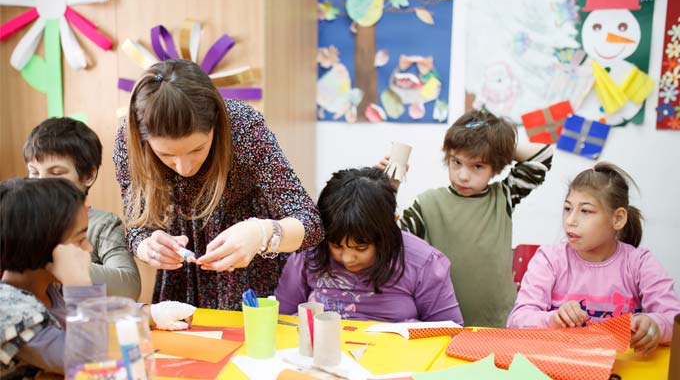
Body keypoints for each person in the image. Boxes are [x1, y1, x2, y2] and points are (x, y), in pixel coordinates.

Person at [113, 59, 323, 310]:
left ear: (216, 123)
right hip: (185, 274)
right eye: (167, 155)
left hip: (253, 261)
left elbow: (310, 223)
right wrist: (147, 246)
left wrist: (261, 233)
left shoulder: (243, 127)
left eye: (197, 149)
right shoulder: (129, 141)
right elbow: (136, 228)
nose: (184, 168)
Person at [0, 178, 194, 378]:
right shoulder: (9, 310)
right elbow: (88, 360)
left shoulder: (49, 287)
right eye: (81, 239)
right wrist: (79, 285)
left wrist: (153, 314)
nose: (89, 248)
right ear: (42, 247)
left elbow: (98, 318)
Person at [379, 109, 553, 327]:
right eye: (456, 162)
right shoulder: (427, 204)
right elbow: (388, 239)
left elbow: (544, 156)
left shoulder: (504, 196)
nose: (463, 175)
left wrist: (497, 144)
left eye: (477, 166)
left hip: (498, 323)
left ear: (495, 168)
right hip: (441, 322)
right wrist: (388, 189)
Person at [507, 163, 680, 354]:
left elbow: (673, 318)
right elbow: (517, 321)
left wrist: (654, 325)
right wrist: (554, 319)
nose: (570, 220)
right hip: (562, 364)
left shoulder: (639, 263)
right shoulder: (549, 260)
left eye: (585, 211)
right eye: (567, 208)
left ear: (618, 219)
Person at [276, 167, 463, 323]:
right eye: (336, 246)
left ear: (389, 231)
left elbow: (449, 333)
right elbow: (283, 320)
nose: (347, 259)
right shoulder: (310, 252)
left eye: (361, 248)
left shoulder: (424, 262)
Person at [24, 117, 141, 300]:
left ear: (88, 175)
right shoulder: (18, 220)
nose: (41, 183)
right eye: (34, 172)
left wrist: (56, 261)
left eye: (56, 173)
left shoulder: (102, 223)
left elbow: (129, 287)